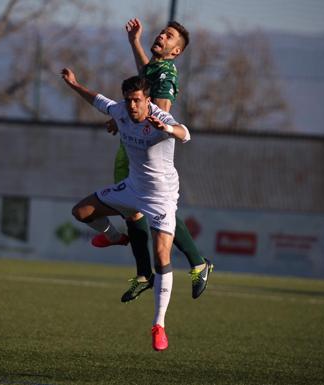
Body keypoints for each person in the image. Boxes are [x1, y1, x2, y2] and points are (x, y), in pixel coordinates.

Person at [62, 67, 189, 351]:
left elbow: (184, 133)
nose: (131, 105)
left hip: (161, 197)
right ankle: (113, 236)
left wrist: (166, 129)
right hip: (132, 189)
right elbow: (97, 100)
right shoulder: (120, 111)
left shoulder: (159, 118)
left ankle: (159, 325)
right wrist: (75, 84)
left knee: (161, 255)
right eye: (128, 100)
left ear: (148, 101)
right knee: (81, 211)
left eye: (137, 100)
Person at [93, 18, 213, 303]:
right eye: (162, 32)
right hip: (133, 143)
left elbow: (158, 110)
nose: (162, 35)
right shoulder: (156, 68)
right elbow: (144, 81)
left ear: (176, 51)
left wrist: (126, 120)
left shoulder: (167, 73)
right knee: (138, 206)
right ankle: (151, 272)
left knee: (145, 206)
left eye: (169, 36)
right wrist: (134, 41)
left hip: (143, 148)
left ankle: (171, 267)